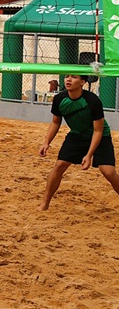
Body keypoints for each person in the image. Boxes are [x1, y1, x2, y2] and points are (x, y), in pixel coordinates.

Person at [39, 74, 119, 210]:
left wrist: (88, 155)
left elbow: (98, 131)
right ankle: (44, 204)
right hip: (77, 135)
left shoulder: (93, 101)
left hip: (100, 136)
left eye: (74, 77)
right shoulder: (60, 99)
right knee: (59, 165)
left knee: (108, 172)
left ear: (82, 82)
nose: (68, 80)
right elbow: (55, 122)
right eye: (67, 77)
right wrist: (46, 142)